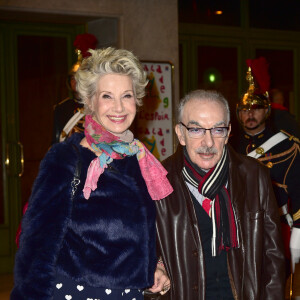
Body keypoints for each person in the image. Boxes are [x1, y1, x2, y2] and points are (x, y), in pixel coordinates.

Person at [11, 47, 173, 300]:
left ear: (137, 100)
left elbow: (140, 232)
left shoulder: (139, 159)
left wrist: (157, 265)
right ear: (89, 101)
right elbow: (36, 247)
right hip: (75, 293)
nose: (118, 107)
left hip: (129, 294)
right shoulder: (66, 158)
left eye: (127, 95)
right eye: (107, 96)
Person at [155, 89, 285, 299]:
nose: (208, 142)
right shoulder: (159, 179)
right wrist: (156, 265)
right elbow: (143, 248)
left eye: (217, 130)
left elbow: (273, 258)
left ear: (228, 133)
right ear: (180, 133)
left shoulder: (253, 175)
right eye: (196, 130)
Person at [235, 62, 300, 280]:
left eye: (256, 109)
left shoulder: (287, 146)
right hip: (237, 229)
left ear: (267, 111)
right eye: (245, 109)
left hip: (276, 228)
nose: (250, 114)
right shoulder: (229, 147)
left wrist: (298, 229)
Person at [52, 33, 98, 144]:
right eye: (72, 78)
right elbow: (56, 139)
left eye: (78, 78)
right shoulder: (62, 108)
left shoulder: (99, 105)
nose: (74, 81)